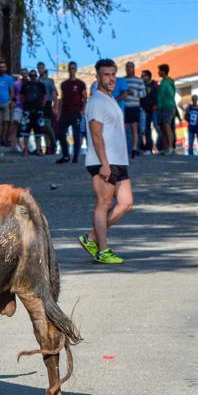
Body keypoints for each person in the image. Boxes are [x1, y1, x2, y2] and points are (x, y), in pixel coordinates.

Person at [80, 58, 132, 265]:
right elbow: (96, 135)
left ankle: (91, 237)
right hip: (103, 161)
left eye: (113, 75)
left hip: (119, 161)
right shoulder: (96, 102)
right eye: (106, 75)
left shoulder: (111, 100)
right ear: (98, 77)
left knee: (126, 203)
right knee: (103, 203)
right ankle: (103, 250)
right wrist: (104, 163)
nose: (110, 79)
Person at [55, 61, 87, 164]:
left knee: (76, 135)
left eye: (74, 68)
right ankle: (65, 155)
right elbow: (62, 98)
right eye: (70, 68)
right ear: (68, 69)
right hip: (65, 112)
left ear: (76, 69)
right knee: (60, 133)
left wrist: (83, 110)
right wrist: (58, 112)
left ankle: (75, 156)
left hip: (76, 112)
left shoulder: (80, 84)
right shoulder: (64, 84)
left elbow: (85, 98)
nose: (72, 70)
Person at [112, 60, 145, 156]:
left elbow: (143, 93)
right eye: (127, 67)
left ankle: (134, 149)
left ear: (134, 68)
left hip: (134, 107)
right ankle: (124, 149)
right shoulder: (122, 80)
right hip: (123, 107)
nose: (128, 68)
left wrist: (133, 93)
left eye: (130, 67)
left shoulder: (139, 80)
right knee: (123, 129)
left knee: (134, 129)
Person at [155, 63, 177, 153]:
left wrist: (167, 104)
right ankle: (166, 147)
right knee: (163, 128)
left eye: (159, 70)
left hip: (168, 107)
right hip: (161, 108)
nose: (158, 72)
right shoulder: (163, 82)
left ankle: (171, 147)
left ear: (163, 71)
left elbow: (170, 94)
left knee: (167, 126)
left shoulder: (168, 82)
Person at [0, 60, 14, 146]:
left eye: (3, 67)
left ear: (6, 68)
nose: (2, 68)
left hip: (6, 102)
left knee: (6, 121)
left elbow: (11, 91)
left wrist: (10, 101)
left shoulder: (9, 78)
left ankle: (3, 139)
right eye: (0, 67)